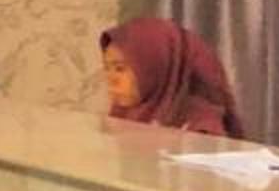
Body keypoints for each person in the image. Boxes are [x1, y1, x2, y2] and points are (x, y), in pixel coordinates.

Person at [100, 17, 246, 138]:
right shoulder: (124, 112)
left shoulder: (202, 127)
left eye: (120, 69)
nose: (111, 79)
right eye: (107, 68)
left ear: (155, 67)